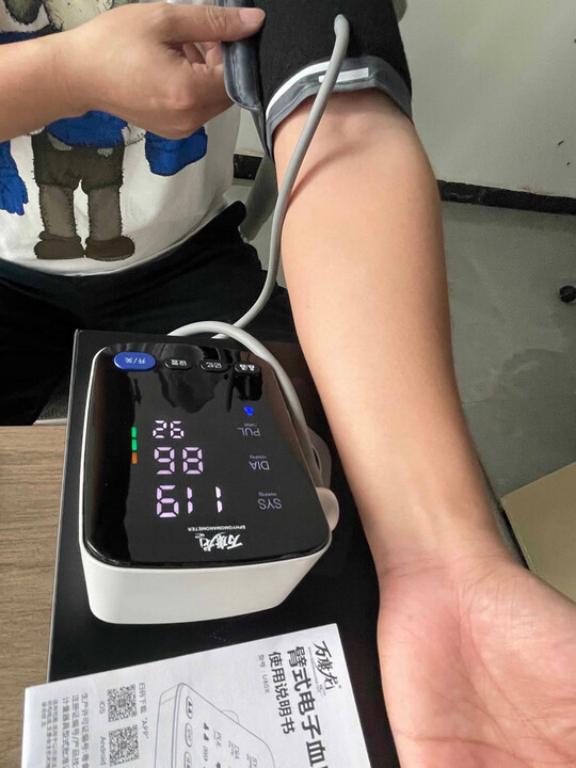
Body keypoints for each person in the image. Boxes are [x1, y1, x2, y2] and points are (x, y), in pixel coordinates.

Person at [2, 1, 575, 765]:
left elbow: (343, 122)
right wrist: (66, 75)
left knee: (327, 485)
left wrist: (443, 561)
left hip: (186, 259)